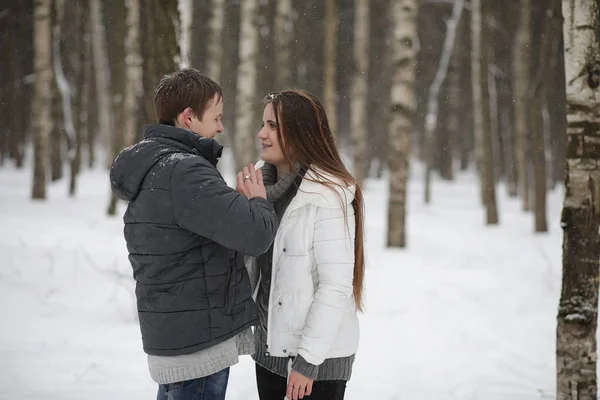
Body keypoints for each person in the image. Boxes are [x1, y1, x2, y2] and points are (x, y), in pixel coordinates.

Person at [109, 68, 278, 400]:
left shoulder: (155, 166)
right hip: (198, 349)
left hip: (174, 338)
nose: (220, 127)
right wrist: (258, 201)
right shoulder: (184, 172)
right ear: (188, 117)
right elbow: (256, 234)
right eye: (216, 117)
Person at [240, 90, 365, 400]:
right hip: (269, 353)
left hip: (316, 363)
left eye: (272, 125)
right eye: (262, 124)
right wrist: (248, 211)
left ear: (298, 133)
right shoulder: (259, 188)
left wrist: (308, 361)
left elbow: (334, 286)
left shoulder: (327, 196)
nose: (261, 134)